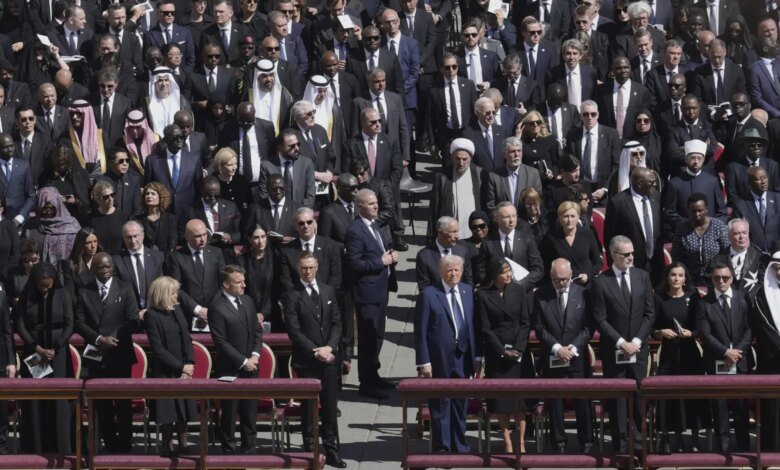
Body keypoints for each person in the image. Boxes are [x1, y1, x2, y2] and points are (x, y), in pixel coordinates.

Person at [591, 235, 655, 453]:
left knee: (638, 397)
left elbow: (650, 313)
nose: (631, 257)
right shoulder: (601, 282)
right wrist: (621, 343)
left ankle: (639, 444)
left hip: (638, 349)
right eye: (626, 254)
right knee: (618, 399)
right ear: (613, 255)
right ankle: (620, 446)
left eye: (632, 253)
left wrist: (636, 341)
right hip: (614, 351)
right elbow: (600, 319)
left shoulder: (642, 276)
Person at [283, 251, 346, 467]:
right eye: (304, 268)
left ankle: (331, 448)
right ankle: (310, 447)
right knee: (309, 407)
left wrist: (329, 347)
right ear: (298, 269)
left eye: (311, 267)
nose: (308, 271)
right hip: (307, 360)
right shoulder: (292, 295)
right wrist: (316, 351)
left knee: (329, 405)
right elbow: (294, 330)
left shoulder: (328, 290)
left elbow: (337, 323)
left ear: (317, 267)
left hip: (329, 359)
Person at [75, 252, 140, 453]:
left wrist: (112, 338)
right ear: (93, 269)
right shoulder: (84, 291)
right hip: (96, 353)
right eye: (101, 267)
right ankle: (109, 443)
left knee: (123, 402)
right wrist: (98, 339)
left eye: (108, 266)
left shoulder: (125, 287)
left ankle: (125, 444)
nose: (105, 271)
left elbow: (133, 320)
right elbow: (79, 322)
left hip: (120, 353)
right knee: (102, 403)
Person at [414, 254, 478, 452]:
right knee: (441, 403)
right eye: (449, 270)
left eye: (457, 270)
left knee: (460, 403)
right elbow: (420, 330)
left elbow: (473, 325)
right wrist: (423, 361)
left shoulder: (468, 291)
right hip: (438, 359)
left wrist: (476, 357)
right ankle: (442, 447)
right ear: (441, 272)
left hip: (463, 356)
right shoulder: (429, 294)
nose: (453, 274)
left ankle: (460, 445)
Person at [534, 258, 594, 453]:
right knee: (555, 402)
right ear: (550, 276)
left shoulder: (583, 293)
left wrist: (573, 348)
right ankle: (558, 442)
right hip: (553, 355)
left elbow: (588, 327)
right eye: (557, 280)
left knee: (582, 401)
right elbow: (539, 327)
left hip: (577, 356)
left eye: (565, 279)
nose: (561, 283)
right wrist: (557, 348)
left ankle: (586, 441)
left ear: (571, 275)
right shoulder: (541, 295)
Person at [345, 188, 399, 399]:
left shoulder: (374, 225)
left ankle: (373, 375)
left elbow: (378, 251)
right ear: (360, 206)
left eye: (376, 202)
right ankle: (366, 383)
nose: (376, 206)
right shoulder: (355, 230)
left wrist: (390, 257)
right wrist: (380, 261)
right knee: (368, 338)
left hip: (380, 290)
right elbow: (355, 263)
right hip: (367, 293)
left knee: (378, 335)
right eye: (370, 203)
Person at [15, 262, 74, 454]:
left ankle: (61, 447)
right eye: (41, 286)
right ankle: (35, 447)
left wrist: (55, 348)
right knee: (35, 398)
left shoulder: (63, 294)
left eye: (48, 286)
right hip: (34, 352)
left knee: (59, 400)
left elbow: (69, 324)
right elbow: (21, 325)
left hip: (58, 353)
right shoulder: (27, 296)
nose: (45, 289)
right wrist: (38, 348)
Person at [477, 258, 533, 453]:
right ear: (495, 275)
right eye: (504, 272)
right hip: (498, 353)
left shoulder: (519, 290)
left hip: (519, 353)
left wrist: (518, 348)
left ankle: (521, 441)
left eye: (510, 270)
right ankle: (507, 440)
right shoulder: (483, 295)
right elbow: (485, 328)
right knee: (502, 401)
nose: (509, 274)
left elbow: (525, 322)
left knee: (521, 401)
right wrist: (502, 350)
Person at [695, 261, 752, 452]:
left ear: (732, 278)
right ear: (712, 279)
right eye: (717, 278)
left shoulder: (742, 298)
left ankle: (744, 446)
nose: (721, 281)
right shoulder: (704, 303)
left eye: (725, 278)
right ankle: (724, 447)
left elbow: (749, 329)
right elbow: (705, 334)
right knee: (719, 407)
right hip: (716, 360)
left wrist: (737, 352)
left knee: (741, 406)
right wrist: (725, 352)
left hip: (740, 360)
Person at [208, 264, 263, 454]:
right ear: (226, 284)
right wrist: (243, 361)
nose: (244, 285)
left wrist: (255, 355)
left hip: (252, 366)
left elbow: (257, 331)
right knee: (229, 414)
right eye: (238, 282)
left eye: (244, 281)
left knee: (250, 412)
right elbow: (221, 342)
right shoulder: (217, 307)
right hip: (230, 368)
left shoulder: (248, 301)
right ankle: (229, 453)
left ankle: (250, 448)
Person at [652, 262, 704, 453]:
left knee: (693, 397)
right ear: (667, 277)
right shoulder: (659, 298)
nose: (676, 279)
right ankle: (673, 439)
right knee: (670, 397)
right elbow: (652, 328)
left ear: (685, 278)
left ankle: (695, 440)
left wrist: (691, 333)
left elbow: (701, 326)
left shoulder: (693, 297)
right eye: (673, 275)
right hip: (669, 354)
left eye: (680, 275)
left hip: (689, 352)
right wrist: (661, 332)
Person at [144, 276, 198, 457]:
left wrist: (189, 363)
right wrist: (180, 367)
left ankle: (183, 445)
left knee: (183, 410)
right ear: (163, 294)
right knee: (167, 411)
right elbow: (158, 349)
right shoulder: (152, 315)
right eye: (173, 293)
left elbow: (187, 339)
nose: (176, 296)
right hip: (164, 371)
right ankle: (168, 446)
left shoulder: (177, 310)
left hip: (184, 369)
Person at [604, 166, 664, 282]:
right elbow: (609, 237)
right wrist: (615, 266)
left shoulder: (656, 197)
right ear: (639, 183)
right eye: (651, 182)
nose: (655, 185)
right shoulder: (618, 202)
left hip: (656, 264)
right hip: (631, 264)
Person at [167, 219, 226, 329]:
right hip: (188, 314)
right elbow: (176, 287)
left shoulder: (216, 253)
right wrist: (197, 309)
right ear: (187, 237)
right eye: (198, 236)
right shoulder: (177, 257)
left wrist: (211, 309)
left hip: (215, 312)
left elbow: (224, 283)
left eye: (204, 234)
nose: (203, 239)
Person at [478, 201, 544, 288]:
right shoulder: (488, 242)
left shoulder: (527, 239)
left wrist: (521, 284)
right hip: (497, 292)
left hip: (522, 291)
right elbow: (481, 271)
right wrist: (495, 285)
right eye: (507, 217)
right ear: (496, 218)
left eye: (514, 216)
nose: (511, 220)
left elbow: (538, 269)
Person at [752, 251, 780, 451]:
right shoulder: (761, 294)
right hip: (771, 357)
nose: (779, 272)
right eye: (776, 268)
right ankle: (771, 448)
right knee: (771, 405)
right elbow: (762, 325)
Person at [671, 193, 730, 285]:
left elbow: (726, 253)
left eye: (700, 210)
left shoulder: (718, 226)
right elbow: (676, 256)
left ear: (706, 209)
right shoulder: (682, 228)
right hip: (690, 278)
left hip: (715, 278)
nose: (697, 214)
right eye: (693, 211)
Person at [540, 201, 603, 285]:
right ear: (560, 218)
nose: (570, 220)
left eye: (573, 216)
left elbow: (598, 262)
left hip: (587, 285)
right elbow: (546, 265)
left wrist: (588, 275)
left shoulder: (587, 234)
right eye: (566, 216)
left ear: (578, 217)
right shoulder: (552, 238)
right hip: (562, 285)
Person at [113, 221, 166, 310]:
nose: (133, 241)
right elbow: (116, 290)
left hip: (153, 309)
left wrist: (149, 309)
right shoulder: (116, 260)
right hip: (129, 311)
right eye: (129, 237)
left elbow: (161, 286)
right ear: (123, 238)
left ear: (142, 235)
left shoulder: (157, 257)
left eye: (135, 236)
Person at [25, 186, 81, 268]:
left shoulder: (72, 225)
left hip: (68, 271)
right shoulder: (32, 226)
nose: (48, 211)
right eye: (44, 208)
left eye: (51, 207)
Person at [236, 224, 277, 330]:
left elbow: (276, 290)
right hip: (248, 313)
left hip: (273, 313)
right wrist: (253, 314)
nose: (260, 241)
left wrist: (263, 314)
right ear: (249, 239)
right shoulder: (241, 260)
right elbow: (241, 291)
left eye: (263, 237)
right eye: (256, 237)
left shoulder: (275, 258)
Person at [416, 216, 473, 290]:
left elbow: (468, 279)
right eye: (453, 232)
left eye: (457, 231)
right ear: (440, 233)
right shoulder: (424, 256)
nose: (457, 236)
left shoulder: (462, 251)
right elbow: (424, 287)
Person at [516, 110, 559, 180]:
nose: (535, 125)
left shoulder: (550, 139)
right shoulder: (522, 142)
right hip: (530, 180)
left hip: (548, 182)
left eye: (538, 122)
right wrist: (517, 138)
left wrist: (553, 173)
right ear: (525, 126)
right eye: (531, 123)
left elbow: (556, 162)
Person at [60, 228, 101, 300]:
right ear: (81, 244)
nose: (93, 246)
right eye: (88, 243)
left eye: (95, 241)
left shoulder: (103, 260)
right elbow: (70, 293)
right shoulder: (70, 264)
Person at [138, 182, 178, 254]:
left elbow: (172, 242)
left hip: (165, 257)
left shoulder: (170, 218)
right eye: (147, 194)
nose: (149, 196)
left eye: (153, 194)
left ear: (161, 197)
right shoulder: (138, 219)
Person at [89, 179, 125, 254]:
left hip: (119, 257)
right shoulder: (91, 218)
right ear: (98, 199)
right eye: (106, 197)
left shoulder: (123, 216)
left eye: (112, 195)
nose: (110, 199)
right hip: (99, 257)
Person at [213, 147, 252, 214]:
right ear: (220, 166)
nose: (234, 167)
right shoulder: (214, 183)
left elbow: (250, 203)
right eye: (230, 165)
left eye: (235, 164)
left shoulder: (242, 181)